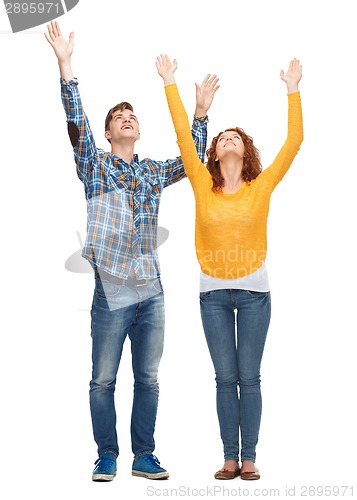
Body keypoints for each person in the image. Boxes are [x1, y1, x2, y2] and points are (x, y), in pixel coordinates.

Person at [44, 21, 217, 482]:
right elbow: (76, 122)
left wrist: (200, 113)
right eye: (119, 116)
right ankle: (106, 454)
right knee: (103, 380)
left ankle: (145, 455)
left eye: (133, 116)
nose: (128, 119)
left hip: (151, 293)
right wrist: (66, 65)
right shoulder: (95, 164)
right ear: (108, 132)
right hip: (111, 292)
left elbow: (192, 160)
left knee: (149, 379)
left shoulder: (152, 172)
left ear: (138, 131)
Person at [156, 55, 303, 480]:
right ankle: (228, 458)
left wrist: (292, 88)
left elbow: (294, 141)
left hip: (256, 294)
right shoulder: (203, 184)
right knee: (225, 379)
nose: (229, 140)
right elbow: (184, 135)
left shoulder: (262, 186)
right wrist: (171, 82)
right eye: (223, 139)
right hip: (213, 295)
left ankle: (250, 457)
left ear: (245, 150)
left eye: (236, 138)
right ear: (216, 155)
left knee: (249, 378)